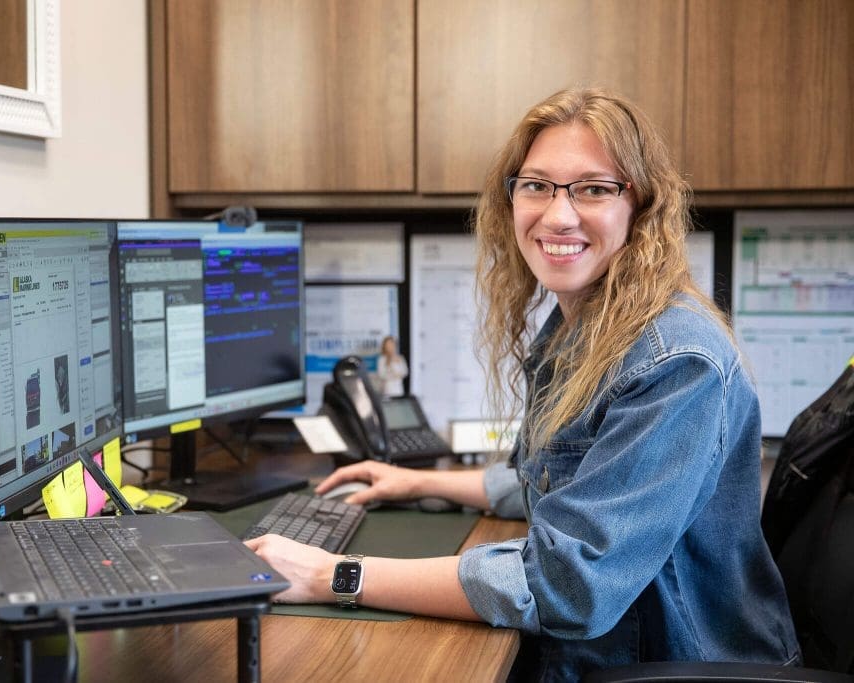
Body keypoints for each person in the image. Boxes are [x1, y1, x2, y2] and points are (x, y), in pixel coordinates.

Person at [245, 88, 799, 679]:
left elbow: (568, 582)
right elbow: (557, 481)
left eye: (593, 188)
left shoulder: (676, 362)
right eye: (537, 185)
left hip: (673, 664)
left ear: (640, 206)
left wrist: (333, 574)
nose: (558, 215)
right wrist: (410, 481)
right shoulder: (576, 325)